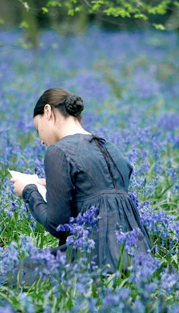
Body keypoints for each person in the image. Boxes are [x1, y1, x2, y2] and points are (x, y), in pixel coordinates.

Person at [10, 87, 152, 282]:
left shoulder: (58, 152)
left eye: (38, 129)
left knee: (13, 274)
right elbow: (100, 197)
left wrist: (28, 190)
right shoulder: (111, 148)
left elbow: (58, 225)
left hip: (95, 257)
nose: (41, 141)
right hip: (138, 258)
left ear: (48, 112)